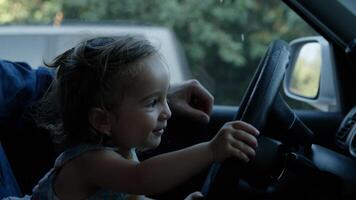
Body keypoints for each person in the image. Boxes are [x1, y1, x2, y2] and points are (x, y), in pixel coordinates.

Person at [4, 35, 259, 200]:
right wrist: (212, 150)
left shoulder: (121, 154)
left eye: (164, 98)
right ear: (102, 121)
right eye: (152, 102)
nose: (168, 111)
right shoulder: (88, 162)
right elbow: (143, 179)